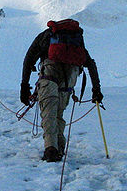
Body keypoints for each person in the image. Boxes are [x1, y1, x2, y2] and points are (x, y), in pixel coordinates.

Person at [20, 19, 103, 161]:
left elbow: (29, 59)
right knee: (58, 114)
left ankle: (51, 150)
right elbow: (90, 63)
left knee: (49, 114)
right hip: (69, 81)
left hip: (49, 77)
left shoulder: (46, 36)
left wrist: (24, 86)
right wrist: (96, 89)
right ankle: (59, 147)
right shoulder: (75, 40)